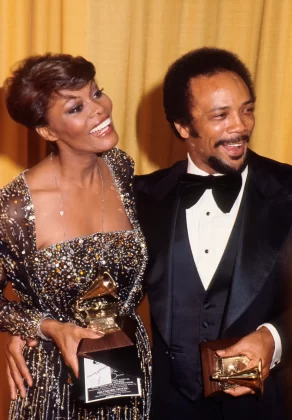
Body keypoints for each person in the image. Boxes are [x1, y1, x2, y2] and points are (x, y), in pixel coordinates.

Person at [134, 47, 292, 419]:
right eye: (221, 115)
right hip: (164, 408)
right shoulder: (139, 196)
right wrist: (32, 329)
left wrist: (275, 337)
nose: (240, 126)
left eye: (247, 109)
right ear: (183, 127)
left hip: (265, 408)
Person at [0, 53, 151, 419]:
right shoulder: (14, 207)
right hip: (54, 380)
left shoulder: (121, 168)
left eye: (97, 93)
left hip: (127, 366)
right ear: (47, 131)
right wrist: (45, 326)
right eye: (75, 107)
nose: (99, 109)